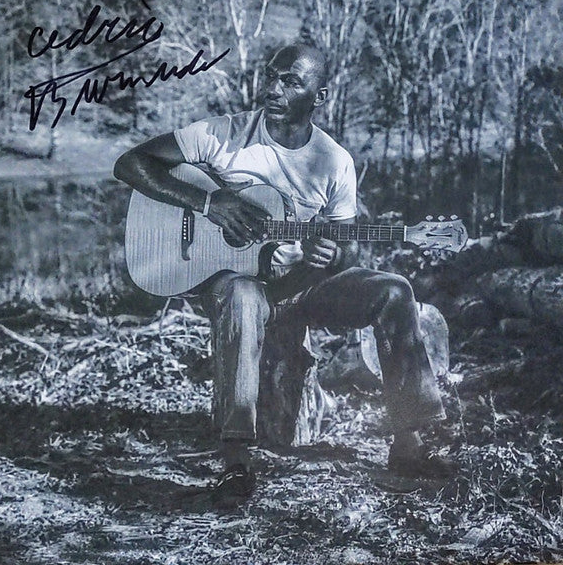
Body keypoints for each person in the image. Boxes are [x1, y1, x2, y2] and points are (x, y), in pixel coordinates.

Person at [114, 43, 455, 508]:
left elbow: (344, 247)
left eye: (291, 81)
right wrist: (209, 203)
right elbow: (130, 164)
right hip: (239, 284)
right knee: (242, 297)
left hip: (301, 286)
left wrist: (328, 255)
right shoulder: (222, 134)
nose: (273, 89)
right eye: (271, 76)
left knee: (395, 290)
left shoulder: (334, 161)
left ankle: (409, 445)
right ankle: (236, 461)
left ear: (320, 96)